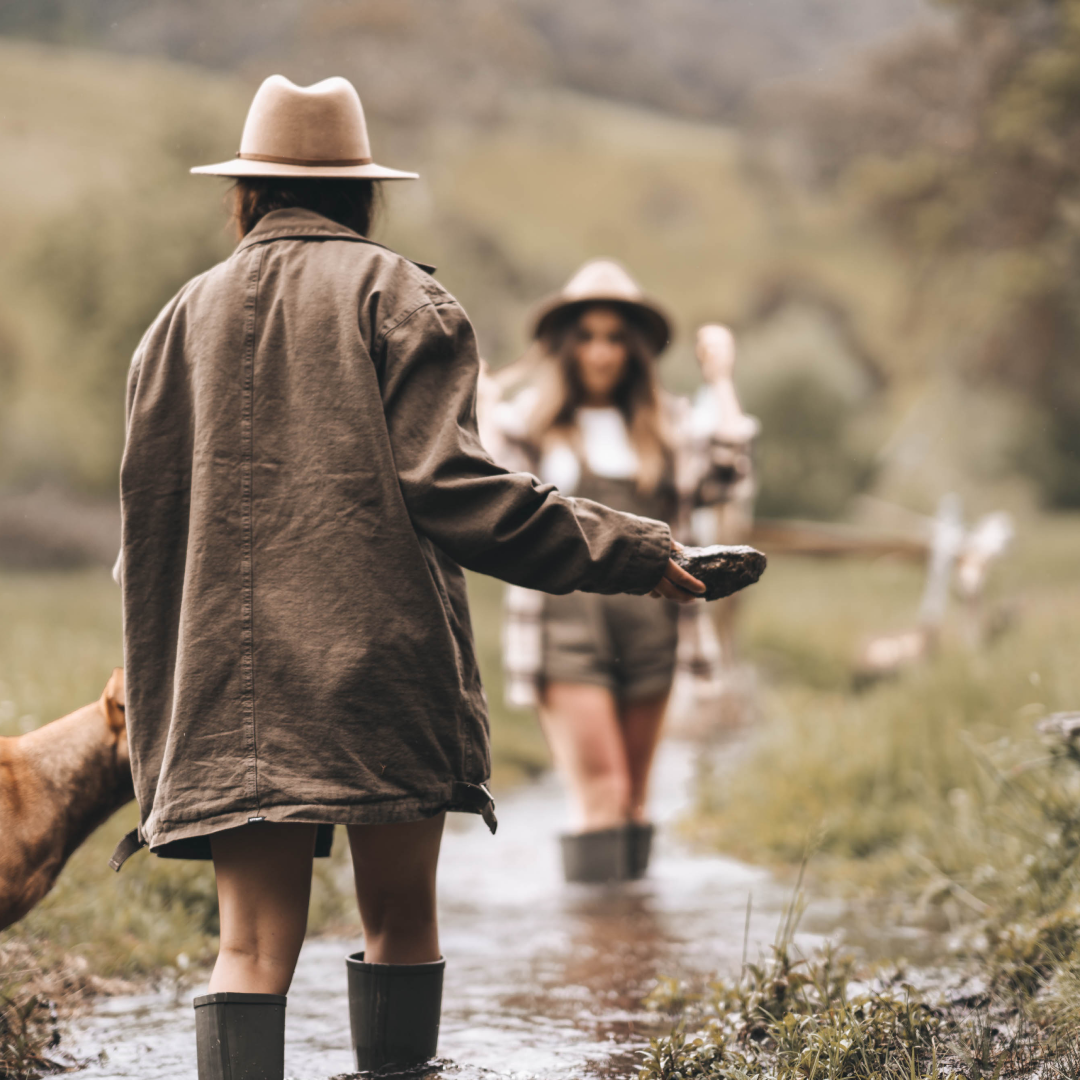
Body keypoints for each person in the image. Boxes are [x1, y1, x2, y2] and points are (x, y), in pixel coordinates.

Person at [110, 75, 705, 1080]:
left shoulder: (177, 320)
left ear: (245, 193)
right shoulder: (400, 297)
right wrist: (632, 549)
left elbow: (149, 530)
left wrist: (146, 673)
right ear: (364, 194)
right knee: (399, 923)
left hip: (222, 683)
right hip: (378, 669)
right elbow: (460, 492)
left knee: (248, 950)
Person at [481, 260, 751, 884]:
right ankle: (598, 960)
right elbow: (488, 488)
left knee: (634, 799)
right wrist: (483, 400)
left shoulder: (670, 426)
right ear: (565, 345)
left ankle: (633, 955)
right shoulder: (528, 425)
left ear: (634, 348)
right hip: (565, 627)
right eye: (587, 336)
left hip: (654, 626)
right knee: (601, 798)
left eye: (614, 337)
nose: (601, 352)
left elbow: (728, 475)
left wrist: (722, 378)